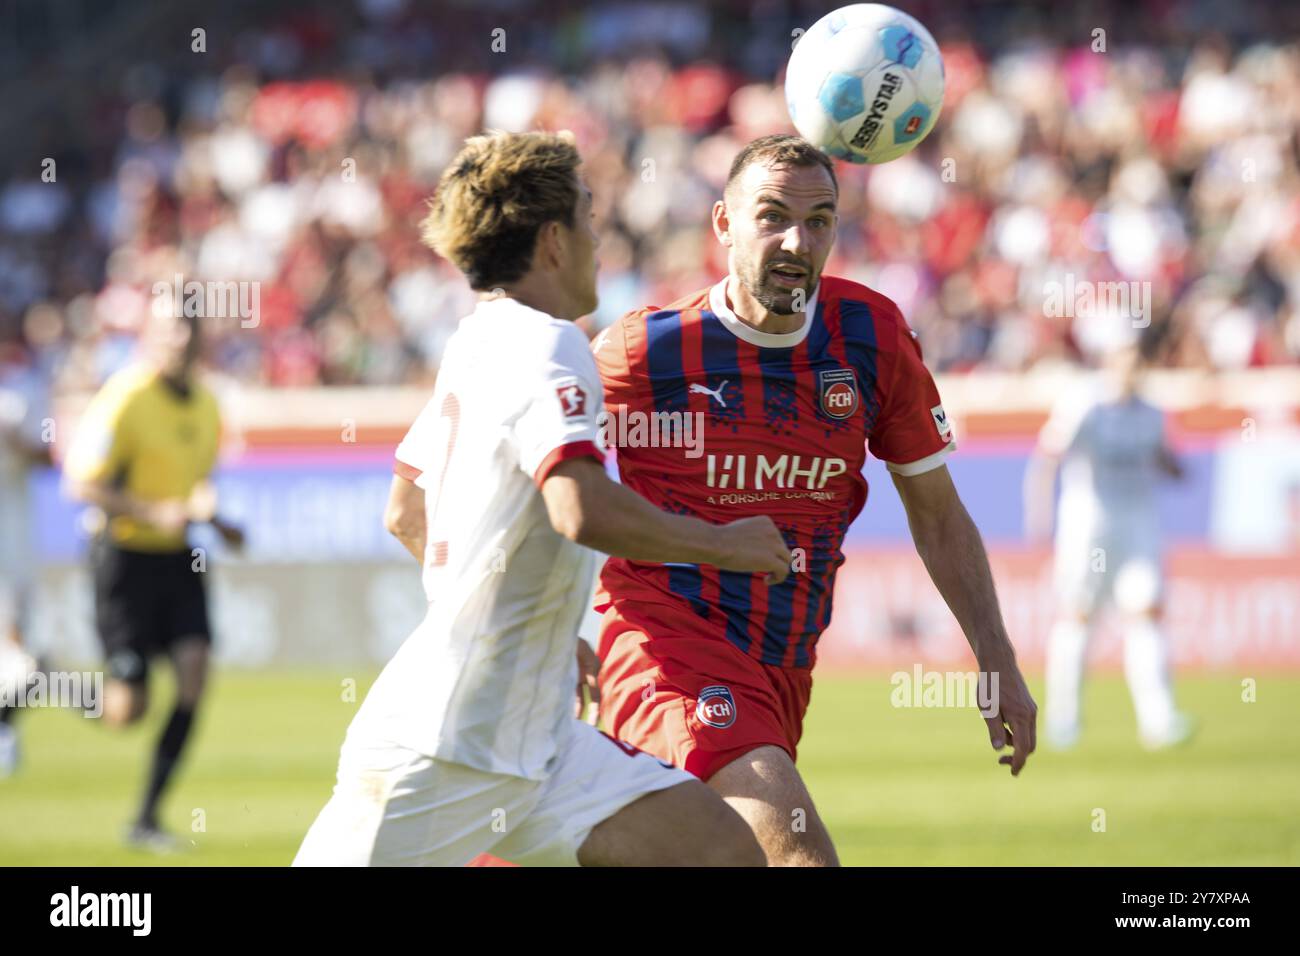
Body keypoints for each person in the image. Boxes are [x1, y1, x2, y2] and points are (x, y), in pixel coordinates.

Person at [293, 131, 787, 867]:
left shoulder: (477, 340)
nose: (598, 236)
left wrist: (541, 634)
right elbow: (578, 507)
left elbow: (405, 509)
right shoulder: (550, 345)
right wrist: (725, 543)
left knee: (723, 852)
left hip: (540, 740)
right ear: (553, 240)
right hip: (448, 745)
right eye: (588, 218)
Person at [591, 134, 1037, 866]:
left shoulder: (871, 336)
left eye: (821, 220)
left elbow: (937, 511)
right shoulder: (647, 353)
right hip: (662, 647)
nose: (797, 241)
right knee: (798, 854)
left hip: (780, 666)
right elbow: (538, 472)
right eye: (771, 216)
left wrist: (995, 657)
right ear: (723, 224)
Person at [63, 308, 243, 849]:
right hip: (122, 558)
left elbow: (196, 485)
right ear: (151, 338)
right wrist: (149, 509)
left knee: (194, 673)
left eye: (188, 331)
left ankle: (145, 819)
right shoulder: (125, 398)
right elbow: (80, 483)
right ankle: (38, 677)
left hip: (178, 557)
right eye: (169, 331)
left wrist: (210, 514)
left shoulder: (209, 404)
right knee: (126, 710)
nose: (179, 342)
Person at [1025, 338, 1193, 749]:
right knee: (1079, 615)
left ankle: (1159, 720)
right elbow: (1048, 458)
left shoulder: (1152, 413)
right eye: (1126, 362)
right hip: (1089, 524)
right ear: (1110, 363)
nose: (1132, 371)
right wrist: (1039, 515)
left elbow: (1164, 461)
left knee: (1146, 614)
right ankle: (1064, 722)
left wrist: (1175, 467)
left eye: (1139, 363)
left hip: (1138, 523)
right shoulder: (1085, 404)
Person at [0, 334, 53, 777]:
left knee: (15, 635)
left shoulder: (22, 391)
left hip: (11, 526)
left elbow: (47, 455)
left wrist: (18, 443)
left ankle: (6, 731)